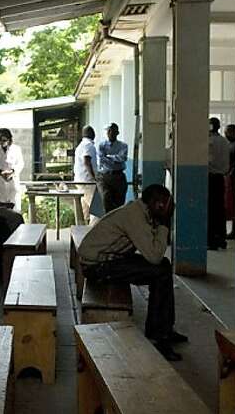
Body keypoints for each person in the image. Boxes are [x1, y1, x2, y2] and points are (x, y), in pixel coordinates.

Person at [78, 184, 186, 362]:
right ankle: (158, 336)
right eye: (165, 205)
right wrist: (165, 224)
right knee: (160, 271)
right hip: (97, 266)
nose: (168, 208)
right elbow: (154, 255)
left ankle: (165, 329)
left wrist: (160, 224)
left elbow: (154, 252)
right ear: (154, 203)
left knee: (163, 268)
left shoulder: (142, 212)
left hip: (109, 259)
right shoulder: (135, 216)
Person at [0, 127, 25, 210]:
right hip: (0, 183)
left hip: (12, 182)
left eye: (4, 140)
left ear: (9, 140)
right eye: (0, 140)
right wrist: (0, 172)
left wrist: (12, 172)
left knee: (15, 209)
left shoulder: (16, 149)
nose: (2, 142)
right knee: (1, 209)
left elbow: (20, 163)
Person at [96, 122, 129, 213]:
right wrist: (115, 158)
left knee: (119, 204)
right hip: (105, 176)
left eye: (112, 131)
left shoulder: (123, 145)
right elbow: (102, 159)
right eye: (108, 131)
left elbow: (122, 158)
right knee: (106, 199)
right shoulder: (102, 145)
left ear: (117, 133)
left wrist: (109, 157)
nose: (110, 133)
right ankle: (108, 221)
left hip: (118, 177)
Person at [208, 118, 230, 250]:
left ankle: (212, 240)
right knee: (220, 208)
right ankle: (222, 239)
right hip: (221, 178)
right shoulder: (224, 141)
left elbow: (209, 160)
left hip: (210, 178)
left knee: (211, 210)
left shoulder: (210, 142)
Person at [74, 125, 99, 220]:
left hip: (81, 181)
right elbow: (86, 161)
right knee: (96, 210)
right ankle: (94, 231)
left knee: (86, 209)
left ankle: (84, 231)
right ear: (92, 134)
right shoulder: (88, 145)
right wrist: (94, 178)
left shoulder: (80, 145)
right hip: (88, 182)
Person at [225, 123, 235, 239]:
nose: (226, 134)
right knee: (231, 204)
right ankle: (233, 230)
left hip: (234, 177)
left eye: (229, 131)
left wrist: (230, 171)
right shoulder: (230, 145)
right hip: (230, 176)